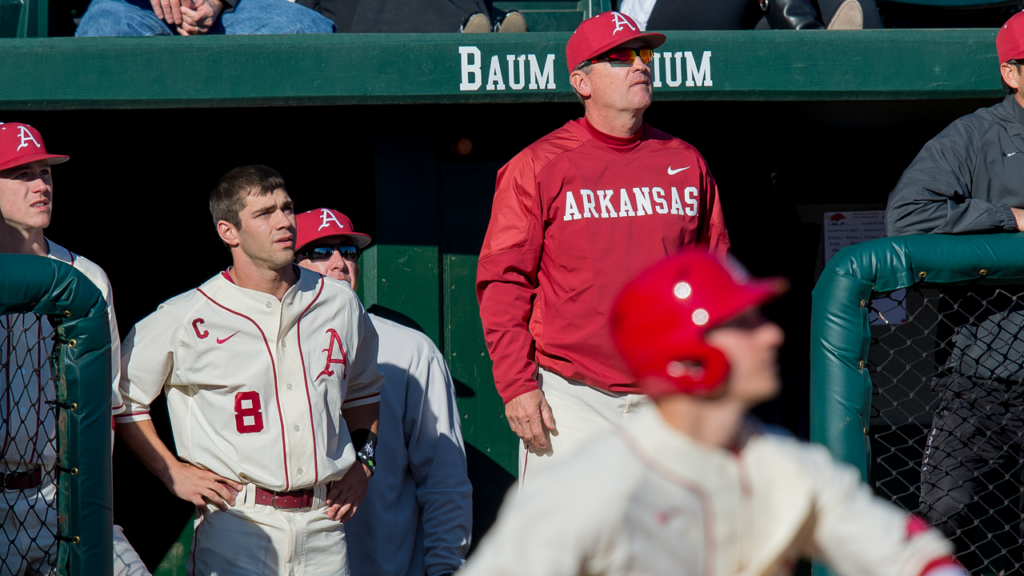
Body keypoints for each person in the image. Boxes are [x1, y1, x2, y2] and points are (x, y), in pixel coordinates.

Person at [461, 250, 966, 576]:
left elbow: (908, 555)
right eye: (742, 324)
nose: (770, 334)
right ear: (683, 359)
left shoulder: (783, 465)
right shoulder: (588, 486)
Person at [476, 10, 730, 490]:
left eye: (644, 53)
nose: (640, 65)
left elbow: (713, 274)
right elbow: (503, 282)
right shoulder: (537, 165)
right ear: (582, 81)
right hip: (571, 400)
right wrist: (517, 386)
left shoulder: (685, 159)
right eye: (620, 57)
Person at [116, 167, 383, 575]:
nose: (284, 221)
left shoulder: (340, 303)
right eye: (265, 213)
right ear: (229, 232)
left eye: (287, 208)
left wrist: (365, 462)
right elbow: (122, 400)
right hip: (238, 520)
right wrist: (172, 472)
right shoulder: (185, 314)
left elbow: (364, 392)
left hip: (323, 521)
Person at [884, 12, 1024, 574]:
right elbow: (907, 216)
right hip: (982, 374)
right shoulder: (975, 136)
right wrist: (1010, 218)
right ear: (1013, 72)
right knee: (945, 513)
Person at [0, 122, 149, 575]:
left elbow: (108, 405)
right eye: (22, 174)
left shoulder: (88, 275)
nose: (41, 185)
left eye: (45, 172)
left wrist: (89, 505)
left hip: (57, 492)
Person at [292, 207, 472, 576]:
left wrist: (446, 568)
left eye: (349, 251)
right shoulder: (269, 347)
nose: (340, 263)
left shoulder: (408, 349)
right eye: (322, 252)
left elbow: (444, 477)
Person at [75, 0, 334, 37]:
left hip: (230, 13)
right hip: (134, 8)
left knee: (307, 27)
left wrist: (216, 2)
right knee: (106, 26)